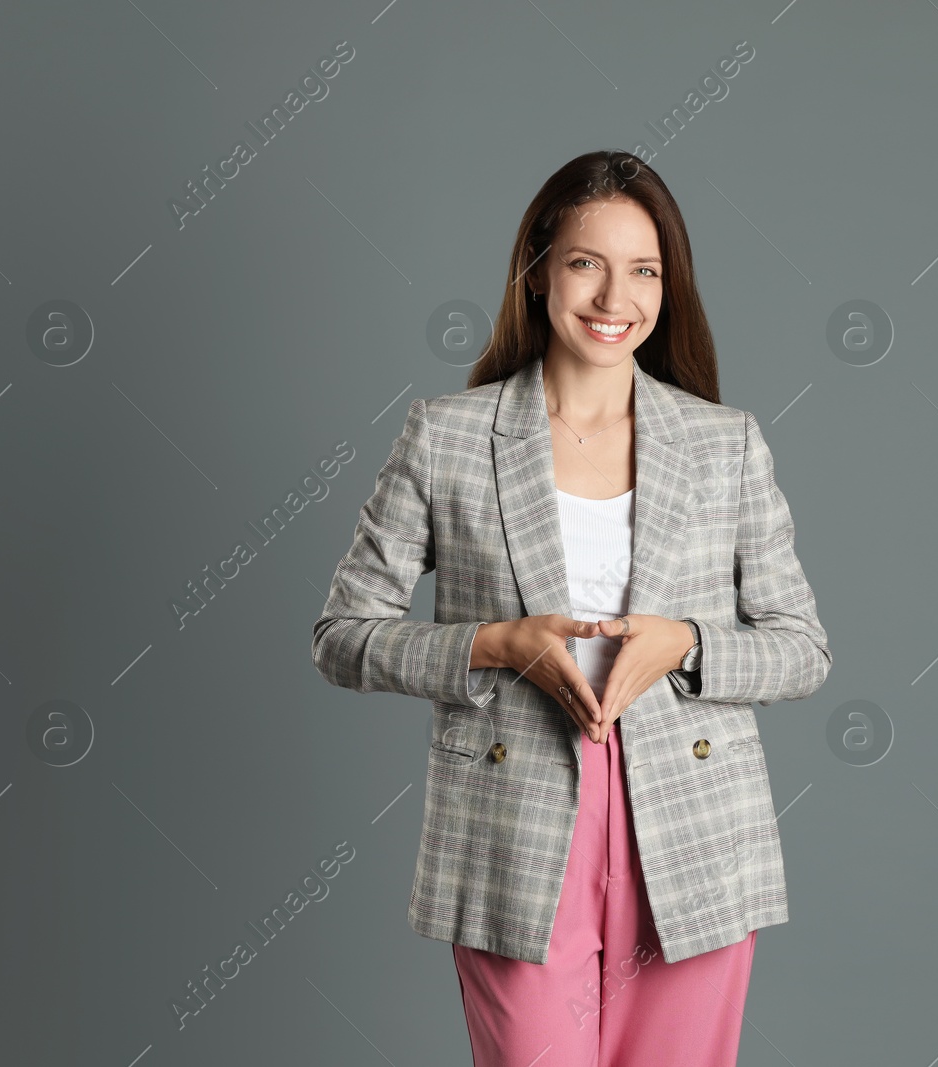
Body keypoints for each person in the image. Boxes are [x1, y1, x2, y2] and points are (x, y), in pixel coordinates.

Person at [311, 150, 832, 1066]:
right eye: (587, 262)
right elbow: (345, 637)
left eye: (644, 270)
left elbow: (802, 650)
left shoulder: (723, 445)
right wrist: (494, 644)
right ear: (539, 268)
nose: (613, 295)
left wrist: (686, 643)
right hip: (515, 821)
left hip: (691, 820)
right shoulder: (448, 436)